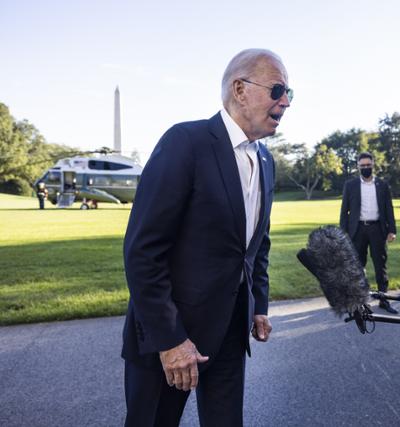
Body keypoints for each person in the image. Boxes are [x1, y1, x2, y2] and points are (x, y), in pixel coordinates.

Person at [121, 49, 292, 426]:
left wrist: (258, 304)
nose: (285, 102)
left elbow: (256, 244)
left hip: (231, 331)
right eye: (278, 89)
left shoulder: (265, 160)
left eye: (289, 93)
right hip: (170, 338)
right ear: (240, 89)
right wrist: (170, 341)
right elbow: (142, 252)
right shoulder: (186, 141)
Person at [340, 152, 398, 313]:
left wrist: (392, 230)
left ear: (373, 165)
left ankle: (383, 299)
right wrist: (343, 233)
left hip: (377, 229)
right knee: (357, 267)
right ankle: (359, 302)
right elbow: (344, 211)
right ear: (358, 166)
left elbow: (389, 208)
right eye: (362, 165)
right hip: (357, 230)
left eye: (368, 165)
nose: (365, 168)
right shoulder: (350, 185)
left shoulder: (382, 184)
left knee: (381, 265)